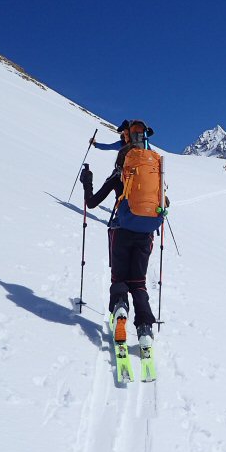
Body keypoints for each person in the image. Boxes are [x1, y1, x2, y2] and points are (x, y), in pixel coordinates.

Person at [81, 119, 163, 355]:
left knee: (119, 278)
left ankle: (120, 309)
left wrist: (88, 181)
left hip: (121, 231)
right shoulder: (154, 169)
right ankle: (145, 329)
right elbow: (163, 201)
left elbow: (92, 203)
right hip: (146, 233)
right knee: (138, 283)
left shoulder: (119, 175)